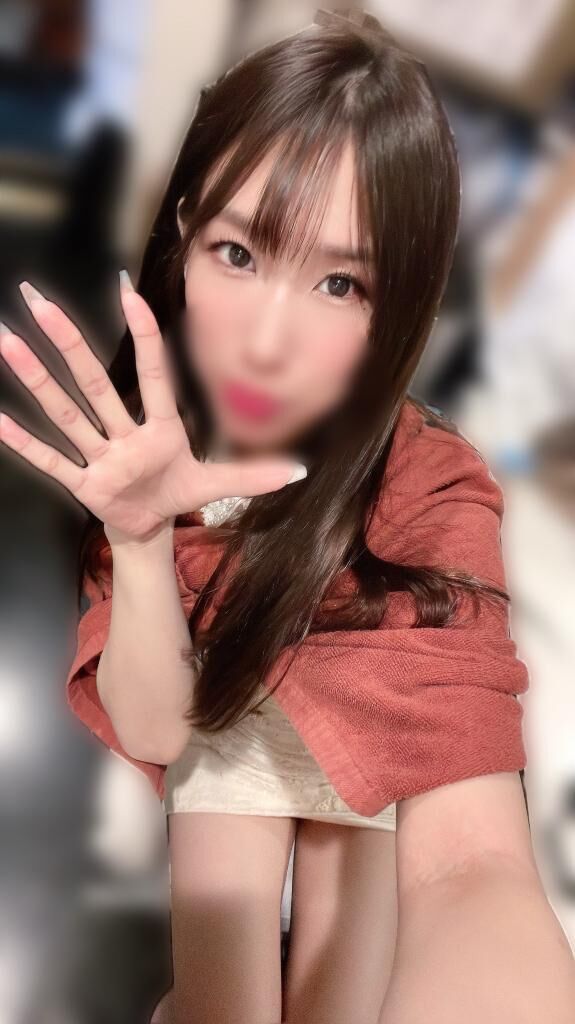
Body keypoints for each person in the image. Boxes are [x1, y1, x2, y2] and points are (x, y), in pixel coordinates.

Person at [1, 9, 574, 1024]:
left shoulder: (431, 484)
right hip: (220, 737)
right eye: (238, 253)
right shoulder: (148, 451)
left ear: (399, 300)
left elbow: (472, 857)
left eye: (339, 281)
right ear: (185, 230)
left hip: (367, 771)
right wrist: (140, 541)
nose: (267, 342)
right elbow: (159, 726)